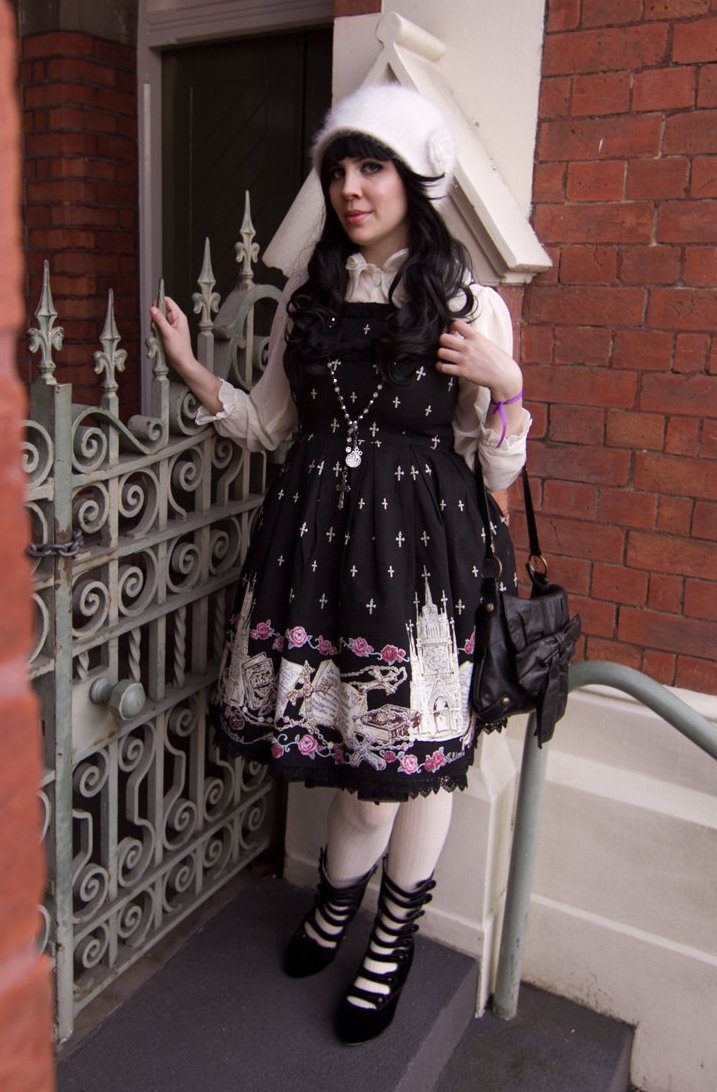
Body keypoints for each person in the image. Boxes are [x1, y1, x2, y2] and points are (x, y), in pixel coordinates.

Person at [151, 83, 530, 1045]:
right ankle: (339, 899)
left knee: (414, 762)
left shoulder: (465, 302)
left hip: (424, 560)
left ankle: (387, 933)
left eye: (372, 166)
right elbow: (273, 428)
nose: (351, 187)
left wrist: (507, 389)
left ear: (413, 178)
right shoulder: (311, 301)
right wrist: (197, 372)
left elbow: (494, 469)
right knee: (361, 766)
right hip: (321, 553)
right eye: (338, 170)